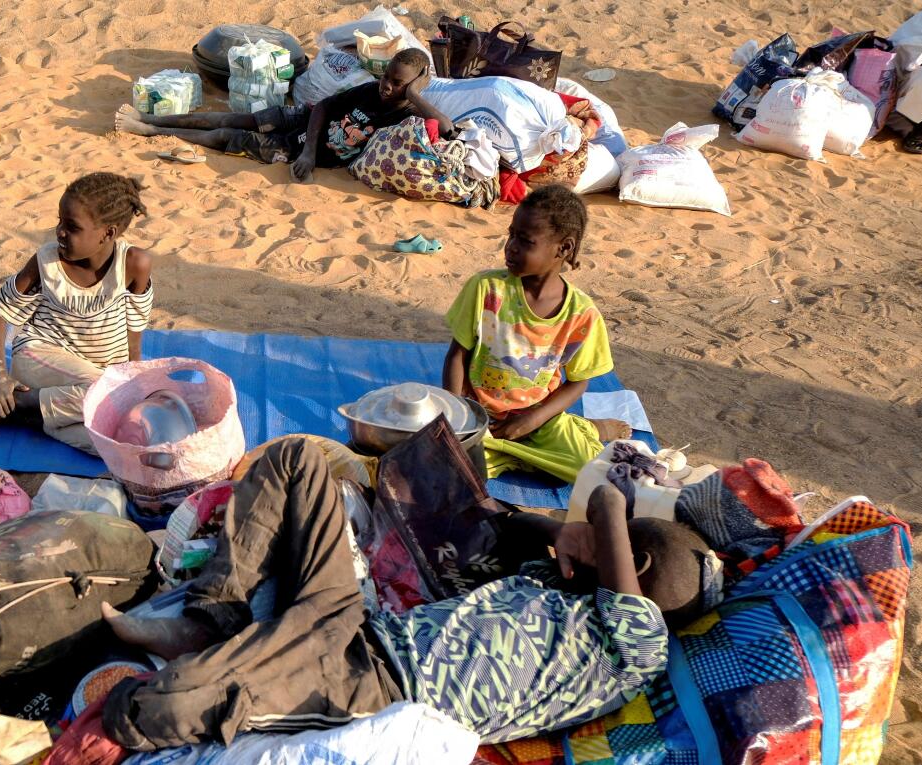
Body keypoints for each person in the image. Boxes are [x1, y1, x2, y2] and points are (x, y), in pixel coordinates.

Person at [99, 437, 712, 751]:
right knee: (294, 460)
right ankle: (212, 614)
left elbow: (608, 499)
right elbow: (502, 522)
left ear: (637, 562)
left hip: (373, 691)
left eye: (621, 547)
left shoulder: (636, 647)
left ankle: (224, 656)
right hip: (355, 623)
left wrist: (596, 524)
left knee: (148, 709)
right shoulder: (567, 592)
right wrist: (555, 529)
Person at [441, 185, 630, 484]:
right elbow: (457, 354)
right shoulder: (486, 289)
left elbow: (578, 382)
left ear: (563, 248)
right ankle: (518, 452)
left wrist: (534, 418)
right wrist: (454, 415)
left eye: (525, 240)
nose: (510, 246)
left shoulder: (581, 313)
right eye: (511, 234)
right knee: (449, 465)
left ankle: (588, 429)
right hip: (480, 417)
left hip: (540, 419)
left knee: (588, 470)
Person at [0, 172, 153, 453]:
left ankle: (21, 412)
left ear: (108, 233)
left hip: (95, 377)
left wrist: (133, 373)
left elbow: (136, 321)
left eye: (72, 227)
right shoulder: (46, 262)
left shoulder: (134, 264)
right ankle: (12, 398)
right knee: (107, 394)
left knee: (119, 443)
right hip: (40, 357)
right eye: (59, 221)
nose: (60, 231)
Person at [114, 49, 453, 182]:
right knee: (228, 118)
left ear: (414, 85)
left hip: (290, 148)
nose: (386, 87)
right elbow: (323, 106)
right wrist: (309, 150)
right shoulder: (368, 90)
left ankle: (150, 132)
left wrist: (412, 92)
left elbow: (448, 130)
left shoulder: (406, 117)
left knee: (223, 138)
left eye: (397, 83)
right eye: (386, 77)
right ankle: (150, 121)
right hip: (300, 121)